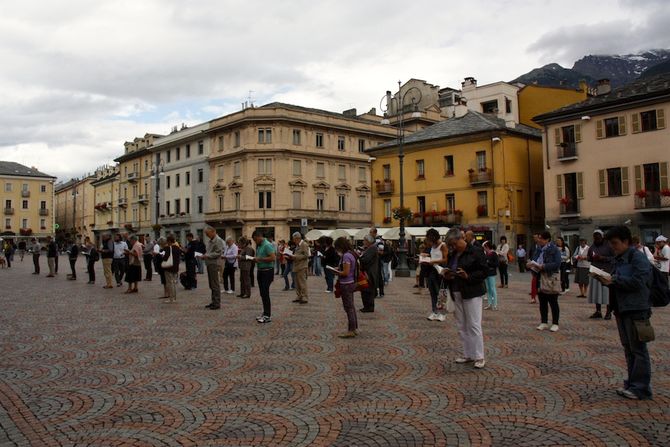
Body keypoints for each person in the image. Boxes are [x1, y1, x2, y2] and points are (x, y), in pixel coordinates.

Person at [598, 226, 654, 400]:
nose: (612, 247)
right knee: (629, 348)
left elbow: (639, 282)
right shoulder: (619, 258)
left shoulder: (637, 258)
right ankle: (632, 383)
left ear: (626, 241)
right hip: (622, 308)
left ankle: (641, 388)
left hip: (636, 308)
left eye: (615, 243)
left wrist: (614, 280)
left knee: (638, 349)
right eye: (611, 244)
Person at [441, 228, 488, 369]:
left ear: (461, 239)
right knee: (461, 325)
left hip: (472, 291)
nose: (453, 247)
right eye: (451, 245)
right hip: (456, 291)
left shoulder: (476, 251)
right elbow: (450, 267)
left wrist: (468, 276)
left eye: (454, 244)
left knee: (474, 324)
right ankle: (468, 354)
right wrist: (447, 274)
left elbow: (484, 271)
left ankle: (479, 356)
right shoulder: (453, 254)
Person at [529, 231, 562, 332]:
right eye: (539, 238)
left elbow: (557, 264)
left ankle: (555, 323)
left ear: (547, 239)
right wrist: (531, 264)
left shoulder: (554, 249)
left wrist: (544, 266)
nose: (539, 240)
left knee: (553, 301)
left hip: (550, 277)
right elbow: (534, 259)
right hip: (539, 276)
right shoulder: (538, 249)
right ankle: (544, 322)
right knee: (542, 301)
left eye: (541, 238)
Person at [333, 237, 359, 338]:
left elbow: (345, 272)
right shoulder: (351, 254)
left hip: (346, 283)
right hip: (351, 282)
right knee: (351, 306)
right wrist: (339, 268)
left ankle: (351, 330)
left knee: (348, 307)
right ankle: (354, 328)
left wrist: (336, 272)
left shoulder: (346, 256)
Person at [588, 229, 615, 320]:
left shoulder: (609, 246)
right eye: (595, 237)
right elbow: (589, 257)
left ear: (602, 237)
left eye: (598, 237)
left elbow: (614, 258)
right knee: (596, 292)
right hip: (595, 270)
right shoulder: (592, 246)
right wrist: (591, 257)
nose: (596, 239)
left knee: (606, 292)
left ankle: (608, 311)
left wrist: (603, 258)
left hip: (606, 270)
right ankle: (598, 311)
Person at [423, 228, 449, 320]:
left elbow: (445, 259)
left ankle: (442, 313)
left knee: (441, 292)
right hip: (432, 270)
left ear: (433, 237)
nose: (428, 241)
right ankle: (434, 311)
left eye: (429, 239)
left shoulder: (443, 245)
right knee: (432, 291)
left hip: (440, 271)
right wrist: (427, 256)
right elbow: (434, 256)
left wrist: (434, 261)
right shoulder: (432, 246)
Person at [252, 230, 276, 323]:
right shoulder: (260, 245)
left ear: (259, 236)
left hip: (267, 272)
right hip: (261, 271)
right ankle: (265, 312)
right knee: (262, 293)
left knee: (265, 293)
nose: (255, 242)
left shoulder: (267, 245)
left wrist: (260, 259)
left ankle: (267, 315)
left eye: (255, 240)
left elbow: (273, 257)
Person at [201, 226, 224, 310]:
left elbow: (218, 253)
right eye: (206, 234)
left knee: (215, 284)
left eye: (208, 234)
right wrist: (205, 256)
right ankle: (214, 301)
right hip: (210, 263)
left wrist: (207, 255)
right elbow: (210, 251)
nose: (207, 235)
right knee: (211, 284)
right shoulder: (211, 241)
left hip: (214, 264)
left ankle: (217, 303)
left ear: (213, 231)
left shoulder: (218, 240)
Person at [359, 235, 380, 313]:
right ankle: (366, 306)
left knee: (368, 290)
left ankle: (369, 307)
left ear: (368, 241)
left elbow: (366, 260)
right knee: (365, 289)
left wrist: (359, 257)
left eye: (364, 240)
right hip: (367, 271)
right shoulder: (369, 248)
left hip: (369, 272)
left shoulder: (372, 248)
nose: (363, 242)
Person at [288, 232, 310, 304]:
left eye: (294, 239)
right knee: (297, 283)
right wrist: (290, 256)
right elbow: (298, 254)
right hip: (296, 266)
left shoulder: (304, 244)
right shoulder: (298, 245)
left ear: (298, 238)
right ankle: (299, 296)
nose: (293, 241)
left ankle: (304, 297)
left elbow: (306, 255)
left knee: (302, 282)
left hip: (302, 266)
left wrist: (295, 257)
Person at [161, 234, 181, 303]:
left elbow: (165, 257)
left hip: (169, 267)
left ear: (169, 241)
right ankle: (174, 298)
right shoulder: (177, 248)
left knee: (169, 283)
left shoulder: (168, 248)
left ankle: (171, 299)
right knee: (174, 283)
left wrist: (161, 257)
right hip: (175, 267)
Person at [483, 241, 499, 310]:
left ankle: (495, 304)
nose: (484, 249)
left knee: (492, 289)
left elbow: (496, 264)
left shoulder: (494, 254)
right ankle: (489, 304)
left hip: (492, 273)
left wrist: (488, 263)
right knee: (488, 289)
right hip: (486, 273)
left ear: (487, 247)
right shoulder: (486, 254)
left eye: (484, 247)